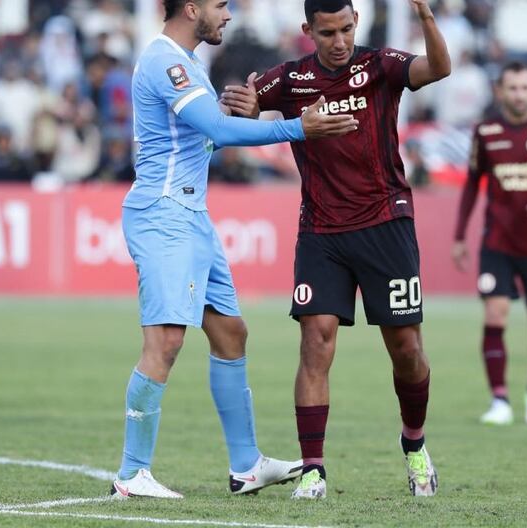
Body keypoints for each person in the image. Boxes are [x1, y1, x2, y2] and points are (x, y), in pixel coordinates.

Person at [112, 0, 358, 500]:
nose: (227, 14)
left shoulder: (190, 63)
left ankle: (247, 465)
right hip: (164, 215)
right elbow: (219, 133)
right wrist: (297, 127)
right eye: (221, 5)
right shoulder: (167, 61)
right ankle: (132, 474)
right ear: (191, 7)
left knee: (230, 332)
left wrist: (229, 111)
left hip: (191, 217)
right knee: (165, 342)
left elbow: (206, 135)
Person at [221, 0, 450, 499]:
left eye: (346, 29)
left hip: (387, 225)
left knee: (406, 349)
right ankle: (313, 470)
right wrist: (237, 102)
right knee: (316, 342)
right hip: (321, 232)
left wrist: (428, 21)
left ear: (356, 24)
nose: (340, 41)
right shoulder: (291, 80)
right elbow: (245, 111)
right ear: (309, 30)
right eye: (327, 33)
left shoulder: (380, 66)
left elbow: (439, 68)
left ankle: (414, 445)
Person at [451, 62, 527, 428]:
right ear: (500, 92)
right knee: (495, 315)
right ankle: (499, 400)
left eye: (525, 87)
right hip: (497, 242)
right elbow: (473, 185)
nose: (519, 94)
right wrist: (460, 236)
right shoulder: (486, 132)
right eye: (513, 88)